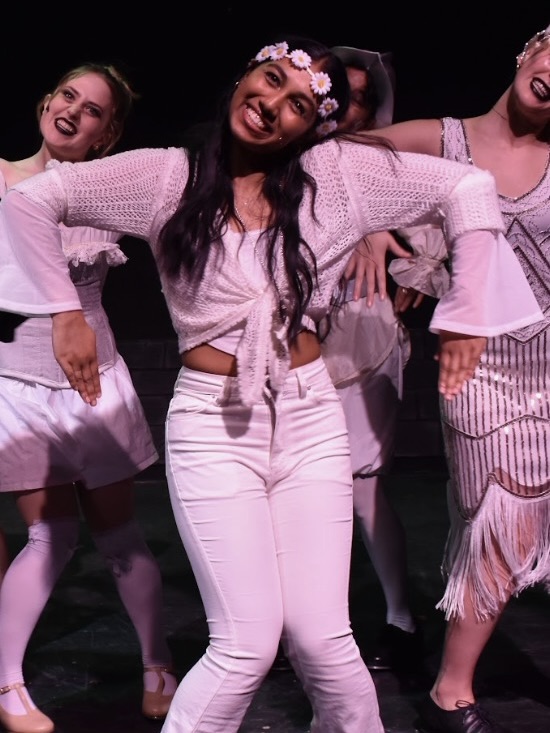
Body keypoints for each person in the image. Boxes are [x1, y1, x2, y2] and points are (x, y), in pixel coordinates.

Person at [0, 36, 543, 733]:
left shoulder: (335, 176)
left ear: (308, 128)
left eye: (297, 105)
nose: (273, 104)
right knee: (244, 647)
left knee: (326, 643)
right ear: (245, 77)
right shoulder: (169, 177)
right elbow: (32, 201)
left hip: (310, 415)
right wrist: (64, 312)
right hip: (213, 423)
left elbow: (466, 187)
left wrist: (468, 312)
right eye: (271, 79)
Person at [364, 22, 550, 733]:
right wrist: (372, 225)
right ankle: (451, 691)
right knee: (502, 519)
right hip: (482, 367)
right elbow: (336, 160)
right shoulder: (444, 139)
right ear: (530, 50)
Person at [0, 64, 178, 733]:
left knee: (120, 535)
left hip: (93, 381)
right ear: (47, 101)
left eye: (94, 109)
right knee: (51, 534)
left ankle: (158, 663)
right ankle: (9, 685)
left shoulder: (107, 193)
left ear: (107, 133)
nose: (74, 111)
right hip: (17, 384)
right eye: (68, 96)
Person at [320, 45, 423, 673]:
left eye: (360, 96)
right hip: (294, 342)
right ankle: (308, 630)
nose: (347, 106)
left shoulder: (388, 163)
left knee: (363, 490)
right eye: (339, 91)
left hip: (364, 336)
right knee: (301, 494)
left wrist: (414, 270)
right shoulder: (289, 159)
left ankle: (401, 621)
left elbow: (433, 233)